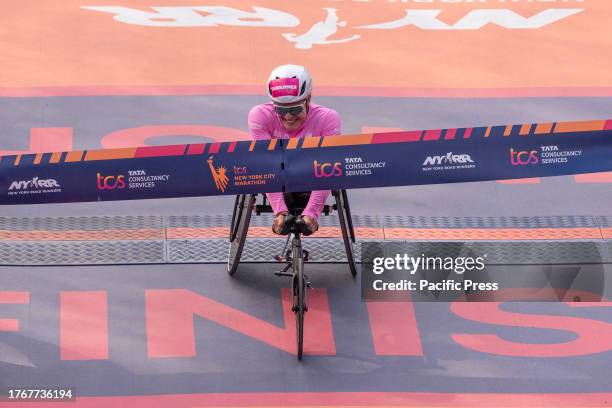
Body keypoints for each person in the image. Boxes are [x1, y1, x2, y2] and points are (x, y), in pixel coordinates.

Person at [248, 64, 341, 235]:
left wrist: (311, 213)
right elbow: (267, 164)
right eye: (281, 109)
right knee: (266, 161)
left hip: (314, 176)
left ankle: (310, 217)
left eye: (295, 109)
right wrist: (281, 212)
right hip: (277, 177)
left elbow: (329, 167)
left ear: (309, 99)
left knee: (329, 165)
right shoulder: (259, 115)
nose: (288, 117)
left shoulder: (328, 118)